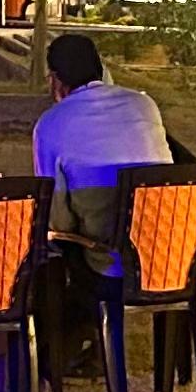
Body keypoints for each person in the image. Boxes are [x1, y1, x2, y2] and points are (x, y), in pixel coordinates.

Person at [32, 29, 172, 250]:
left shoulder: (51, 122)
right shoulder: (144, 105)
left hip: (106, 255)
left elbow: (57, 217)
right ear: (101, 70)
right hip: (167, 244)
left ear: (55, 80)